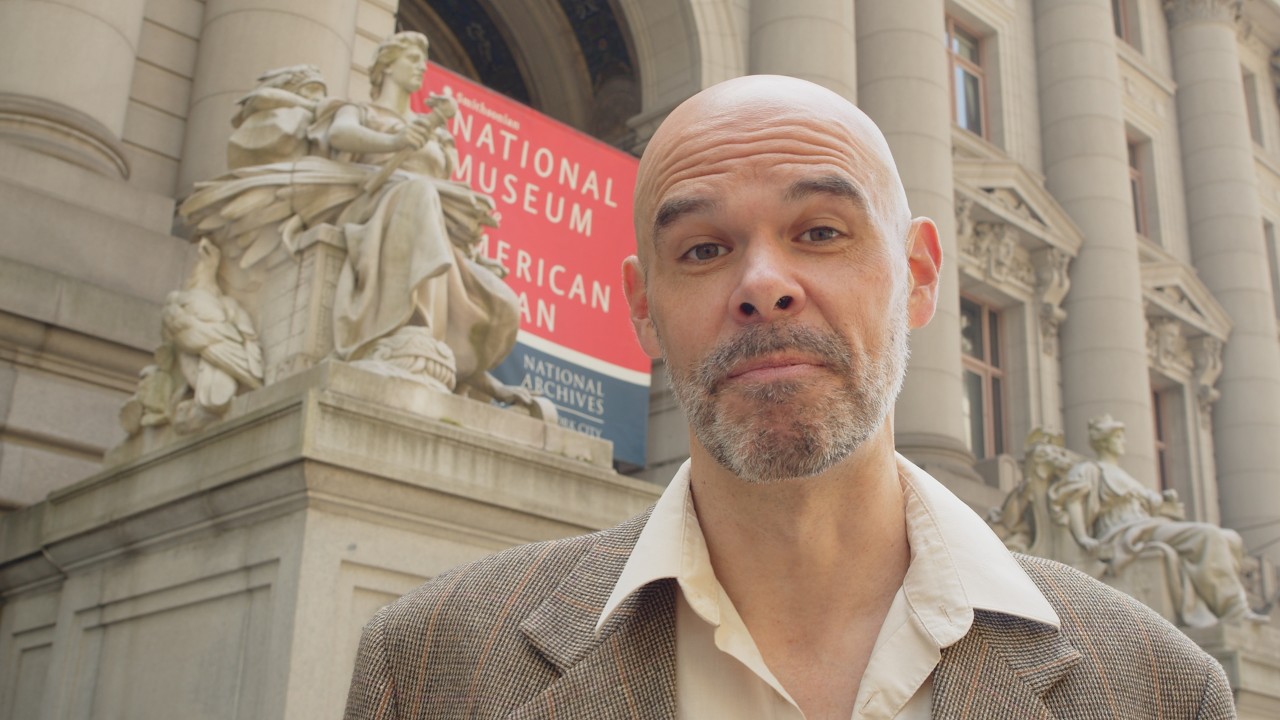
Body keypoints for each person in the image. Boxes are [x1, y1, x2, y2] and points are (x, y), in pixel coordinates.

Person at [343, 76, 1234, 719]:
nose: (763, 285)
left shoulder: (1160, 691)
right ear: (643, 309)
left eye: (820, 232)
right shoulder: (427, 666)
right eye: (702, 249)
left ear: (919, 276)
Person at [1051, 414, 1263, 627]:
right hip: (1124, 533)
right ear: (1105, 441)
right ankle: (1234, 610)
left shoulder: (1126, 476)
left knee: (1231, 538)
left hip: (1148, 526)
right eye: (1118, 437)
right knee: (1209, 534)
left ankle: (1224, 605)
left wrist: (1164, 501)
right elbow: (1073, 502)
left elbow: (1153, 507)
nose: (1123, 442)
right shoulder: (1089, 470)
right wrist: (1082, 537)